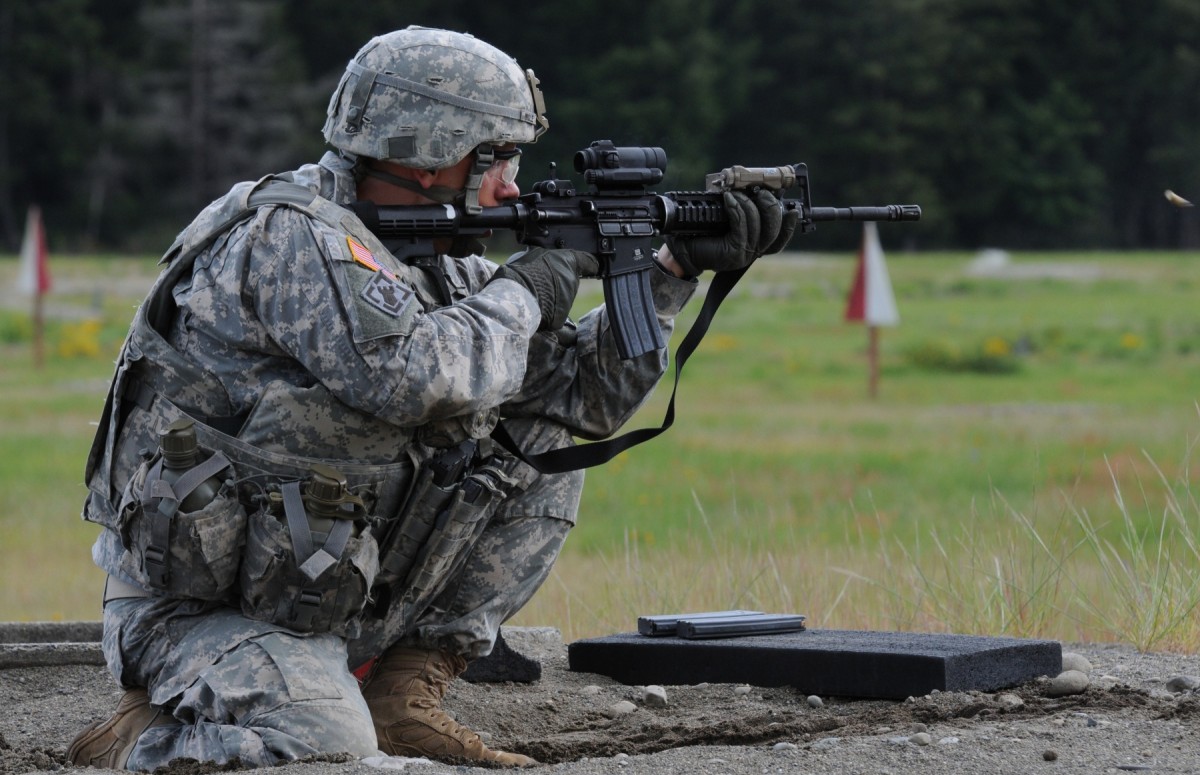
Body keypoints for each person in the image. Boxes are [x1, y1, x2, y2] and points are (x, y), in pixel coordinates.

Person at [67, 25, 797, 771]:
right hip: (201, 609)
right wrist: (528, 286)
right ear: (432, 149)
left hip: (322, 589)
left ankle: (402, 696)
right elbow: (413, 377)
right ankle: (152, 729)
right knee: (326, 750)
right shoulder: (290, 237)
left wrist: (670, 271)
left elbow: (575, 398)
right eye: (497, 157)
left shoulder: (435, 260)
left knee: (540, 443)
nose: (511, 184)